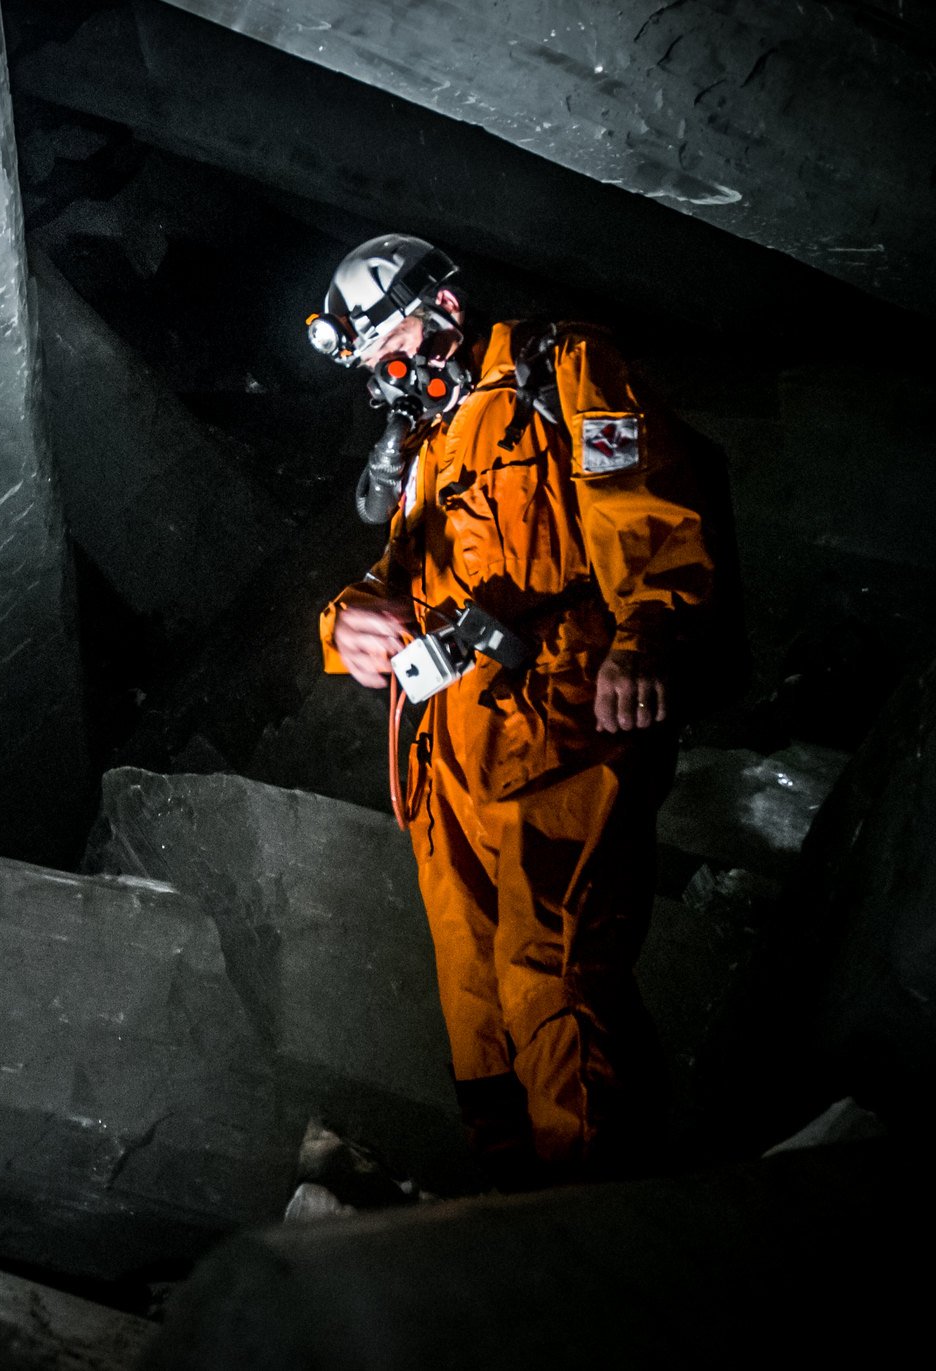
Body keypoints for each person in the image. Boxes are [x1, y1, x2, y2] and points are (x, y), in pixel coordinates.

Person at [310, 234, 714, 1186]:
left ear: (444, 311)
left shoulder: (559, 369)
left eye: (392, 339)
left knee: (554, 978)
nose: (387, 369)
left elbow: (645, 512)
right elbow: (392, 580)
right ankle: (507, 1207)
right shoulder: (424, 443)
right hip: (443, 755)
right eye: (370, 360)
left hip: (559, 726)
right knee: (474, 998)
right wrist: (345, 622)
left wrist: (644, 640)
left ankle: (594, 1219)